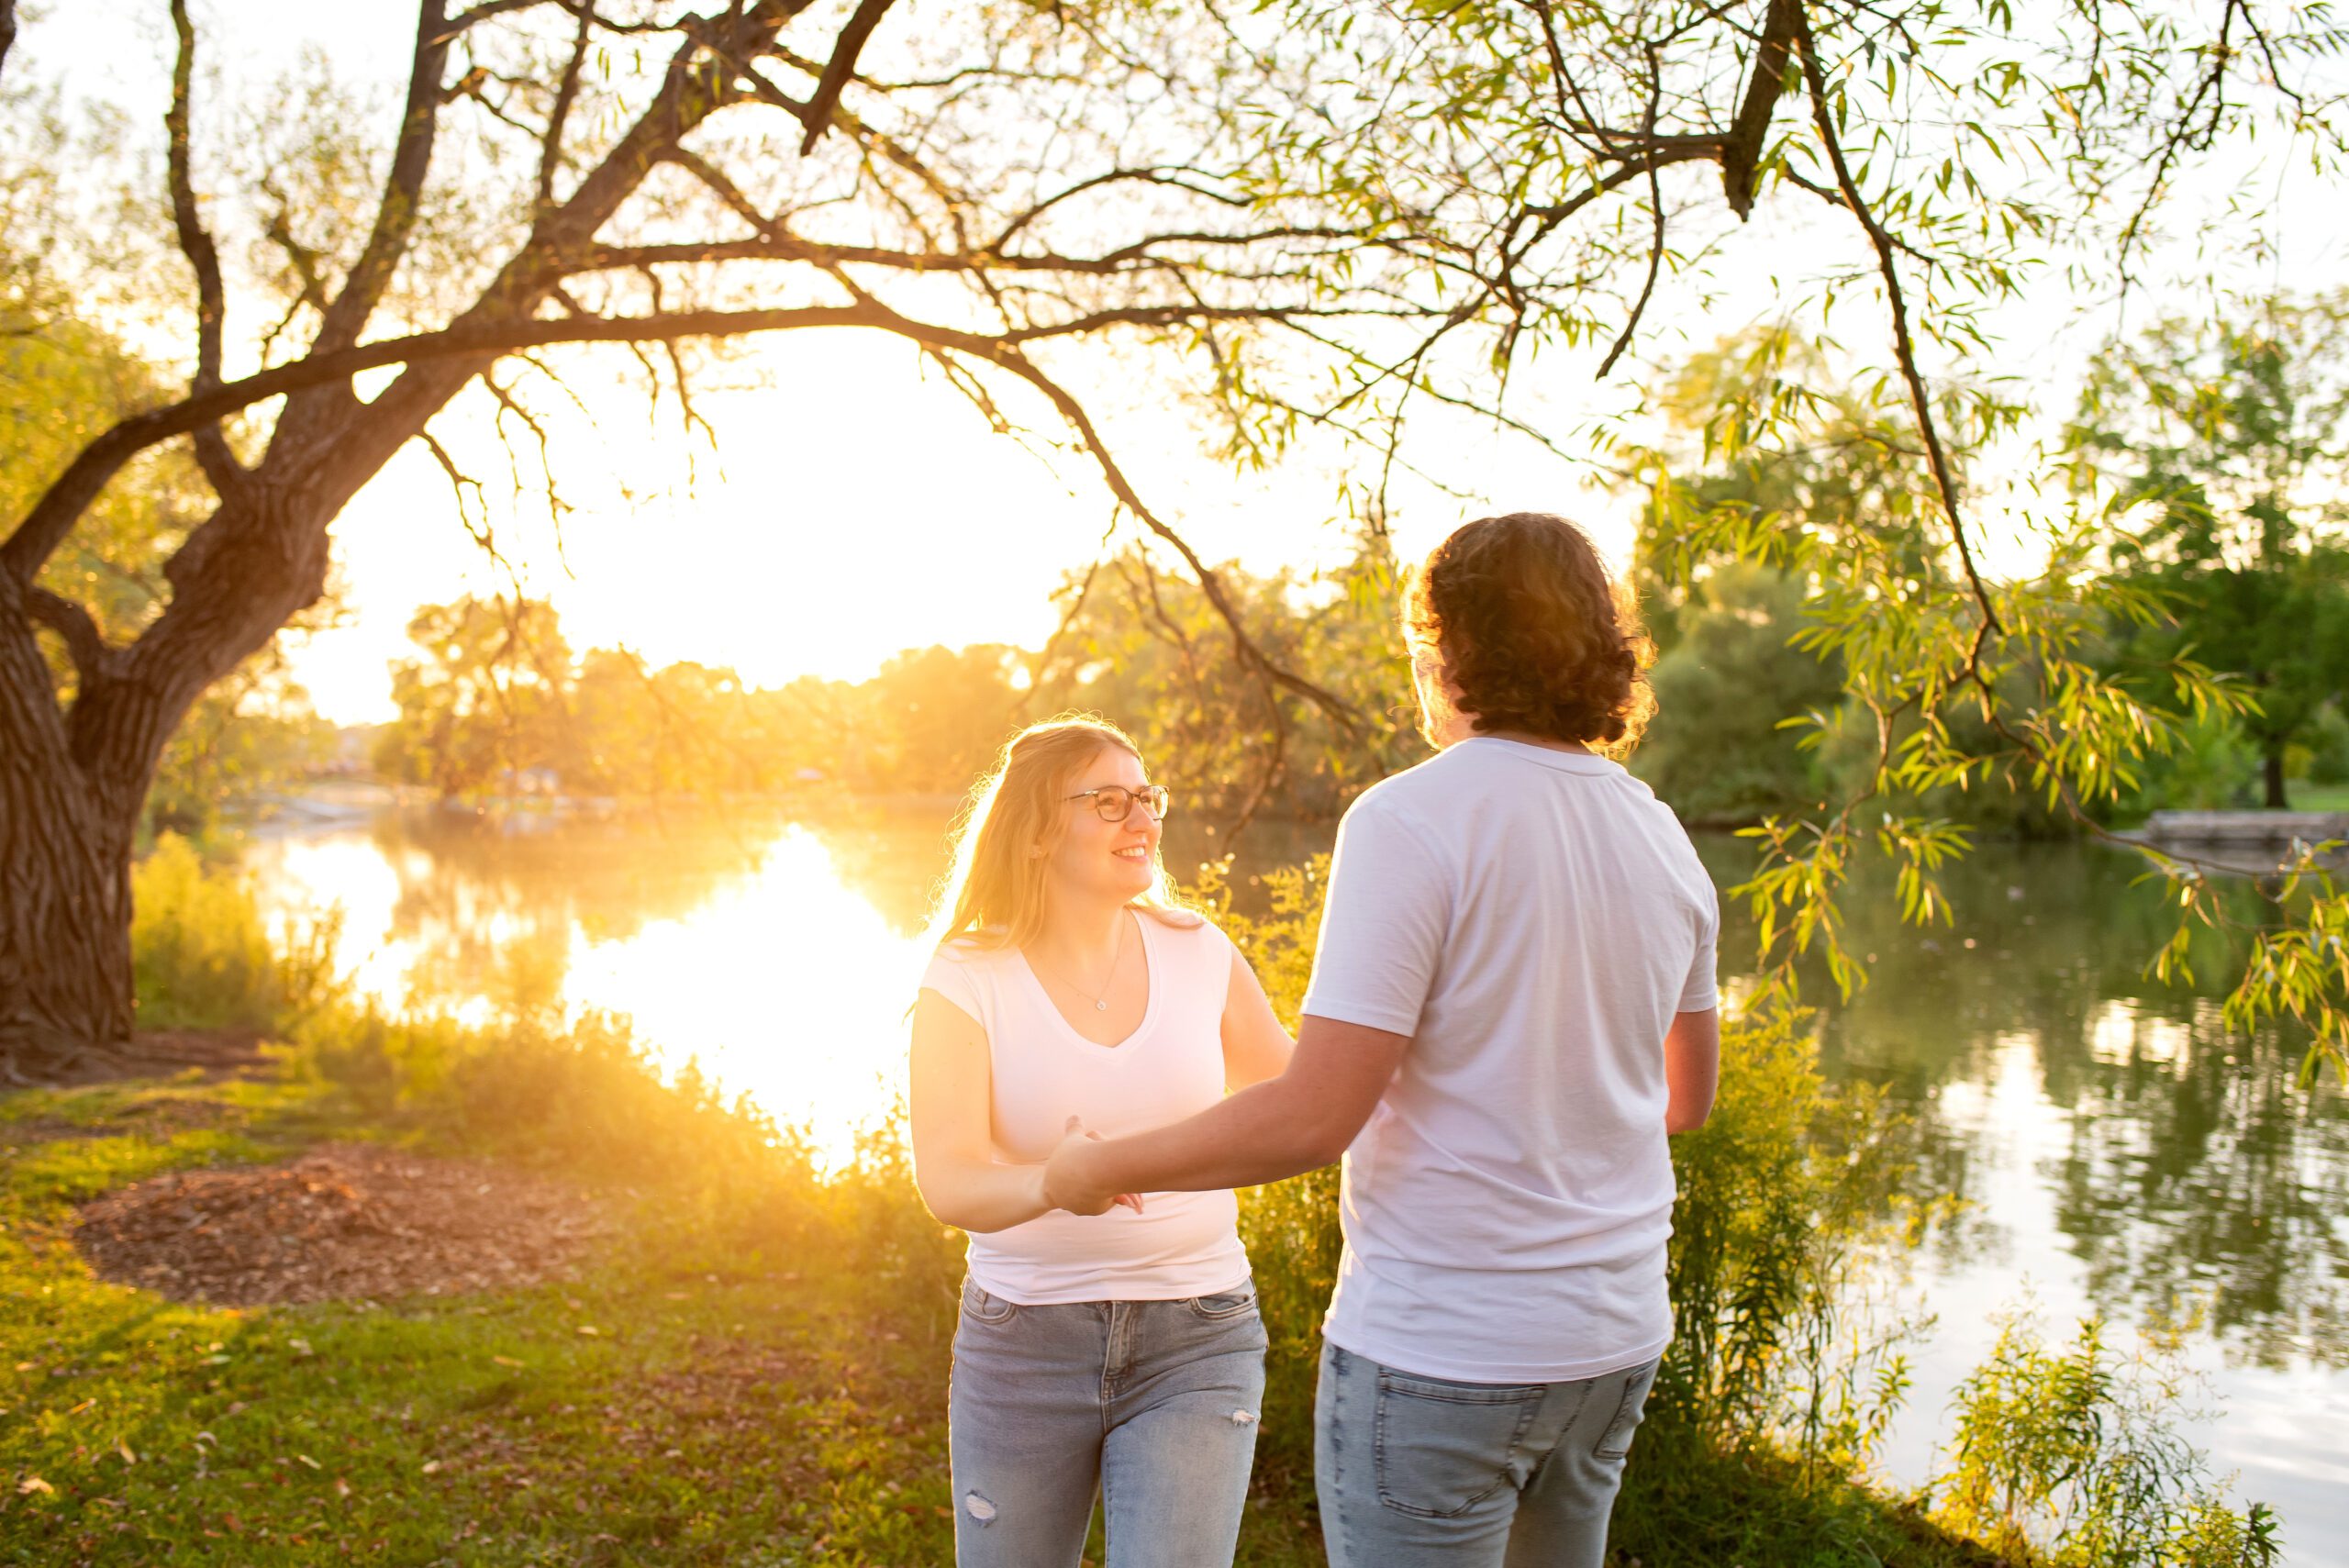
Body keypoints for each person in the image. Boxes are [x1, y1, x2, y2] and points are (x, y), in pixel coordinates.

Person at [1044, 513, 1721, 1568]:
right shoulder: (1659, 831)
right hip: (1613, 1337)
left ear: (1448, 648)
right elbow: (1684, 1100)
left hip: (1445, 1344)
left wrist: (1098, 1163)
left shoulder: (1408, 819)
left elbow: (1315, 1116)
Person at [908, 716, 1296, 1568]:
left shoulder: (1200, 951)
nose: (1144, 819)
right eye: (1110, 800)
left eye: (1147, 796)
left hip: (1199, 1333)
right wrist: (1055, 1181)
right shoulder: (968, 974)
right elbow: (948, 1179)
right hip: (1024, 1341)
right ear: (1039, 830)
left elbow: (1300, 1099)